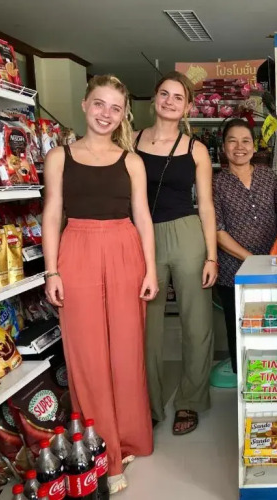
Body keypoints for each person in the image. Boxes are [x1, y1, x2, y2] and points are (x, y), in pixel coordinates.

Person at [42, 74, 158, 494]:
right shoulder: (59, 156)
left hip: (125, 248)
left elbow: (142, 216)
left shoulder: (132, 161)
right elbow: (52, 213)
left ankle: (129, 436)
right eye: (99, 104)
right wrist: (51, 271)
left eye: (115, 107)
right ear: (84, 104)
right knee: (87, 354)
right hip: (77, 249)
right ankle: (101, 449)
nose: (106, 114)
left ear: (123, 114)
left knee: (127, 350)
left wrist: (151, 269)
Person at [133, 71, 217, 435]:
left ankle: (190, 400)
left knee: (196, 322)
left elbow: (207, 206)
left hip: (186, 233)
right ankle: (148, 403)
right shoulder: (130, 140)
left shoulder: (195, 149)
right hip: (141, 235)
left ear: (188, 107)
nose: (170, 101)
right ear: (154, 98)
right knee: (146, 324)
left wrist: (211, 256)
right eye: (164, 94)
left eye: (178, 97)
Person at [214, 119, 277, 374]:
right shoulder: (216, 183)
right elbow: (217, 231)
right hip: (232, 272)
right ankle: (243, 383)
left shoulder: (268, 177)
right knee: (240, 329)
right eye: (232, 141)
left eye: (245, 141)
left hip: (272, 267)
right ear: (224, 147)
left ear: (254, 147)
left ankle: (274, 377)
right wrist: (252, 260)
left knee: (273, 324)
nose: (239, 147)